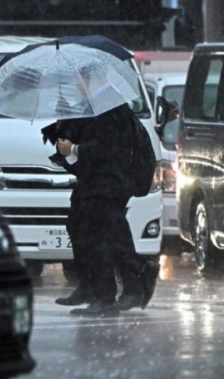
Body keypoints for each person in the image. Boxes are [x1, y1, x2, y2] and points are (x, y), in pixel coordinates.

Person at [53, 101, 152, 316]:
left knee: (102, 238)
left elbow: (108, 147)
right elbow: (80, 148)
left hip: (109, 182)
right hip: (92, 181)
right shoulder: (87, 107)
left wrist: (74, 148)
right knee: (82, 227)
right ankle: (96, 287)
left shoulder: (109, 107)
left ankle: (110, 294)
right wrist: (62, 131)